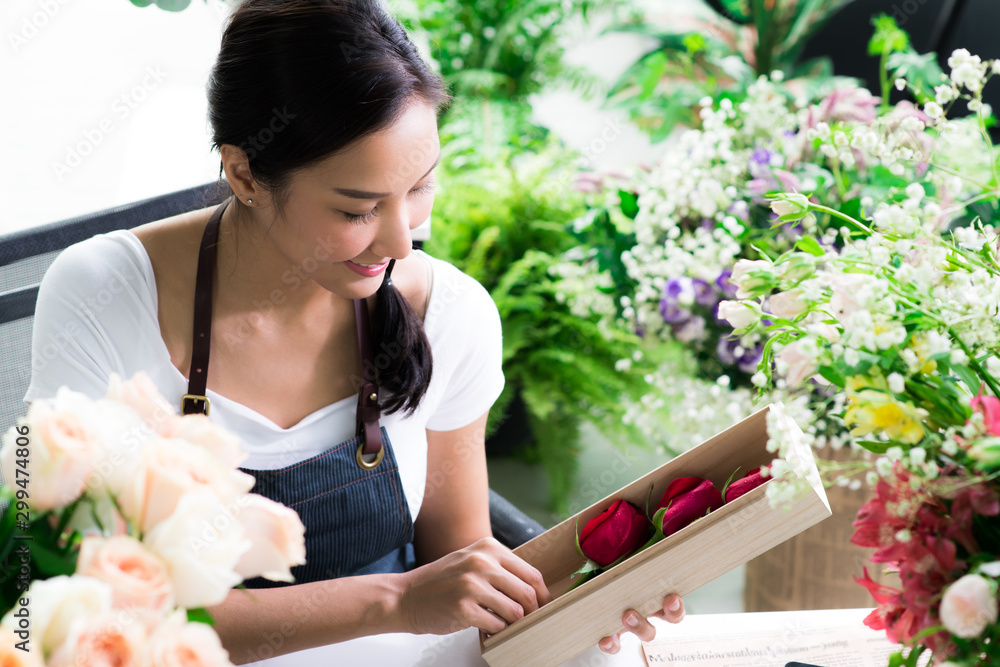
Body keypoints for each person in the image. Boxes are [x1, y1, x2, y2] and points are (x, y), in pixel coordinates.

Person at [23, 0, 684, 662]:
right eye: (358, 208)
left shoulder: (449, 314)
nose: (402, 239)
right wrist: (392, 601)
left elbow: (461, 561)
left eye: (420, 189)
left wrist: (597, 594)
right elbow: (97, 603)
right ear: (244, 172)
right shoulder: (106, 293)